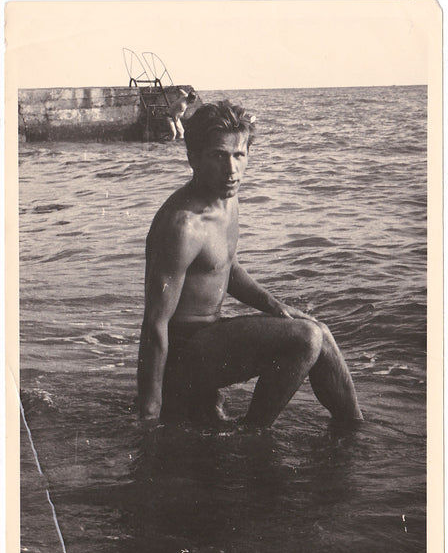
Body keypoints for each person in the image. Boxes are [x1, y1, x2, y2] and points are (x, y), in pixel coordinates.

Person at [137, 100, 363, 427]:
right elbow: (155, 323)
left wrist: (275, 306)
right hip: (184, 356)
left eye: (238, 155)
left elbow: (225, 267)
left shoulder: (227, 198)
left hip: (210, 337)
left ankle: (352, 428)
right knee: (305, 338)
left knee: (319, 331)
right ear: (193, 159)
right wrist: (149, 412)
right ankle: (254, 431)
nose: (231, 170)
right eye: (218, 156)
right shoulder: (183, 226)